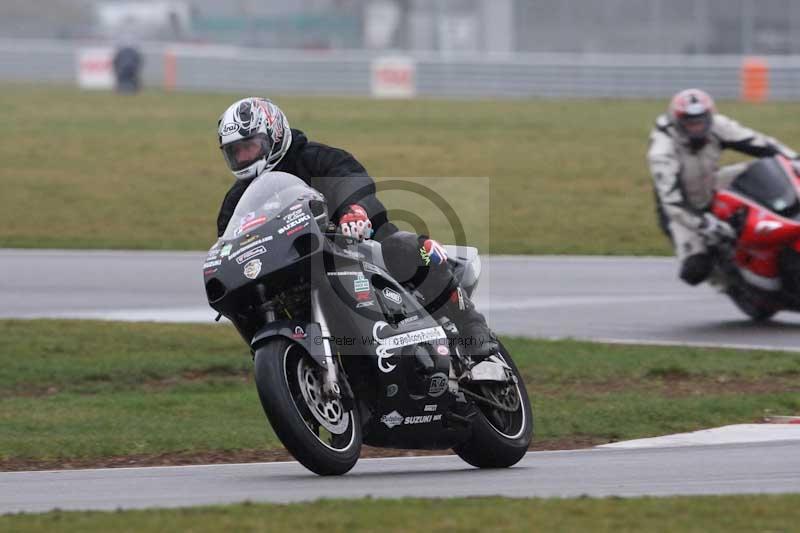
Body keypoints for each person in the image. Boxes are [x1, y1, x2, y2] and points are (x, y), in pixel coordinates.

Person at [215, 97, 498, 363]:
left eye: (249, 146)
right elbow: (230, 242)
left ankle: (472, 326)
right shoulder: (236, 200)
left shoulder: (313, 157)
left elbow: (349, 179)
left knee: (405, 247)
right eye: (235, 152)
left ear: (273, 136)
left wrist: (354, 209)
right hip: (295, 267)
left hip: (356, 242)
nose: (243, 157)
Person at [647, 88, 797, 286]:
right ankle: (729, 282)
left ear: (709, 116)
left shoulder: (718, 126)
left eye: (700, 121)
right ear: (678, 122)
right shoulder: (662, 151)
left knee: (762, 171)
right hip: (681, 208)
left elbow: (761, 144)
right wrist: (704, 224)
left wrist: (794, 160)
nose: (696, 127)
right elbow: (671, 203)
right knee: (695, 270)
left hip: (711, 182)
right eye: (690, 123)